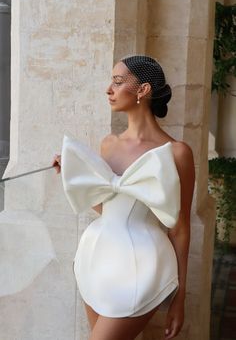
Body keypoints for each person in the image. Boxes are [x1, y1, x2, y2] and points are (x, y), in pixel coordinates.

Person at [52, 55, 195, 340]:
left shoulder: (177, 152)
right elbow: (108, 207)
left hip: (143, 266)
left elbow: (180, 228)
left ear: (143, 90)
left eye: (118, 82)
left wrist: (180, 298)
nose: (109, 89)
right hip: (96, 257)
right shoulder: (109, 143)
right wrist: (69, 174)